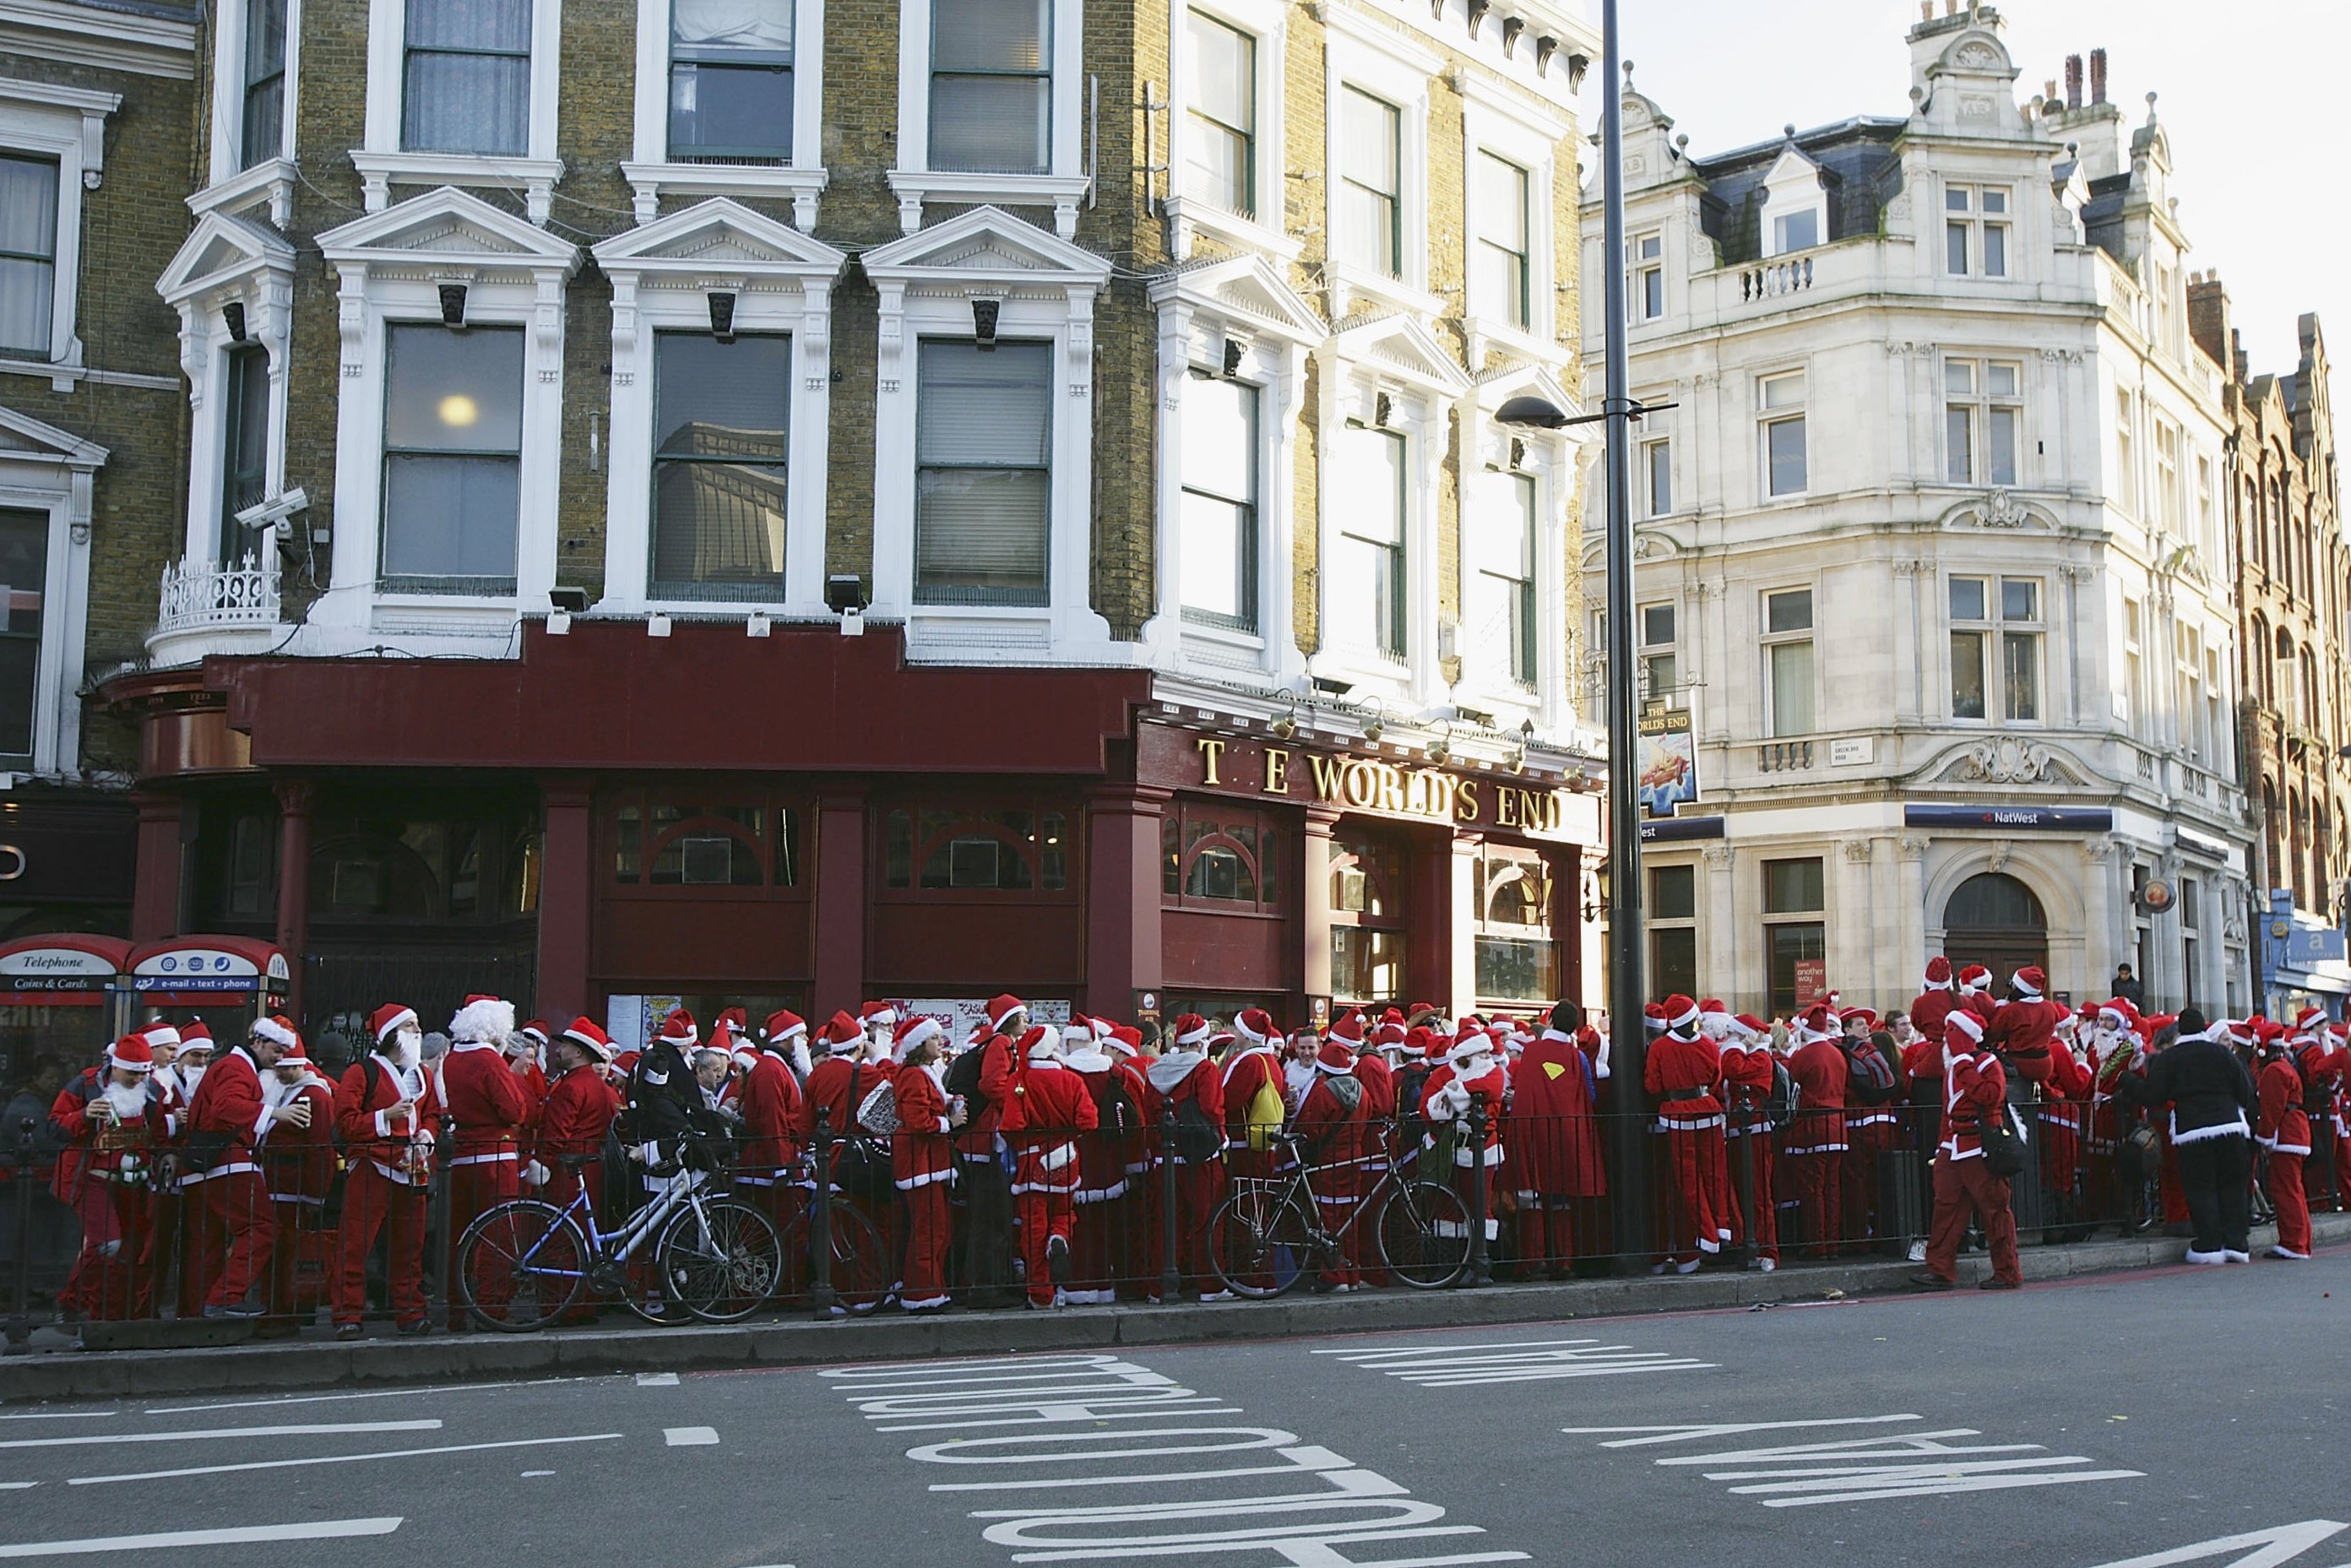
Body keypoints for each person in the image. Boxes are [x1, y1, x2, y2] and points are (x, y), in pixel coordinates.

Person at [2118, 1007, 2258, 1263]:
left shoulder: (2172, 1057)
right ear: (2204, 1029)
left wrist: (2127, 1081)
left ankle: (2209, 1245)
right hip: (2230, 1126)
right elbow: (2245, 1090)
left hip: (2194, 1130)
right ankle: (2237, 1242)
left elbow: (2153, 1095)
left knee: (2200, 1188)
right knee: (2232, 1186)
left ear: (2180, 1030)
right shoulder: (2222, 1054)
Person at [184, 1015, 302, 1317]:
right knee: (262, 1228)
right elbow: (225, 1108)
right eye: (276, 1050)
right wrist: (277, 1114)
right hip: (227, 1158)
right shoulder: (237, 1068)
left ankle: (197, 1310)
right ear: (258, 1041)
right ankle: (224, 1298)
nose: (279, 1059)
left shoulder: (232, 1066)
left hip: (207, 1161)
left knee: (208, 1244)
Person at [333, 1005, 438, 1338]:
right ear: (391, 1034)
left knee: (410, 1246)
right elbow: (345, 1123)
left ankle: (411, 1312)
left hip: (413, 1167)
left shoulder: (424, 1074)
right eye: (410, 1025)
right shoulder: (361, 1073)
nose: (418, 1031)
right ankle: (348, 1314)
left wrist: (427, 1135)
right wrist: (386, 1116)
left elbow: (433, 1114)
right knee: (356, 1244)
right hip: (372, 1165)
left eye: (418, 1024)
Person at [1911, 1007, 2023, 1290]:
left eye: (1951, 1034)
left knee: (1995, 1210)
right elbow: (1946, 1114)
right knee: (1945, 1208)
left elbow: (1989, 1097)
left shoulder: (1985, 1063)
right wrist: (1940, 1150)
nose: (1946, 1040)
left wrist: (1963, 1064)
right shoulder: (1952, 1067)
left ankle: (2007, 1271)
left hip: (1979, 1146)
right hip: (1953, 1145)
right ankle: (1939, 1268)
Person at [49, 1036, 160, 1321]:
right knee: (106, 1243)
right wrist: (84, 1115)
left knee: (126, 1251)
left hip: (132, 1180)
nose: (137, 1079)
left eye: (142, 1073)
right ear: (116, 1067)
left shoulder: (153, 1090)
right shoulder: (85, 1086)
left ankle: (105, 1317)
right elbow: (54, 1128)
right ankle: (70, 1302)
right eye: (131, 1073)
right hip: (90, 1177)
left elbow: (158, 1129)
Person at [440, 996, 532, 1329]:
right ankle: (492, 1307)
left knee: (459, 1236)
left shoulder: (451, 1059)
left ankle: (454, 1306)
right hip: (495, 1154)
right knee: (497, 1236)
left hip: (460, 1154)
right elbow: (514, 1110)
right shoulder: (489, 1062)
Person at [1002, 1024, 1097, 1308]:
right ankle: (1059, 1236)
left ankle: (1040, 1292)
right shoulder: (1071, 1080)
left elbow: (1011, 1125)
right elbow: (1089, 1121)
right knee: (1064, 1212)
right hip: (1066, 1157)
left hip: (1032, 1160)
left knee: (1033, 1227)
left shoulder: (1021, 1081)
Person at [1143, 1013, 1227, 1301]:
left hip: (1166, 1157)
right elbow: (1212, 1109)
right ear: (1201, 1041)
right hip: (1199, 1157)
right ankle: (1210, 1285)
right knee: (1207, 1220)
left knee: (1166, 1223)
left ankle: (1162, 1286)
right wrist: (1222, 1138)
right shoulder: (1205, 1070)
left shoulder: (1156, 1070)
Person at [1643, 995, 1727, 1273]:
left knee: (1687, 1184)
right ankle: (1720, 1228)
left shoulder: (1659, 1048)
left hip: (1677, 1116)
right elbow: (1716, 1077)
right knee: (1715, 1177)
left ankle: (1706, 1234)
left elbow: (1653, 1085)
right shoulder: (1708, 1045)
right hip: (1708, 1112)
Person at [259, 1032, 335, 1334]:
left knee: (287, 1254)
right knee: (277, 1253)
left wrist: (315, 1196)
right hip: (277, 1184)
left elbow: (321, 1150)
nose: (278, 1072)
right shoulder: (284, 1091)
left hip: (293, 1188)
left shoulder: (315, 1095)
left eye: (285, 1066)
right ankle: (278, 1310)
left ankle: (285, 1314)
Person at [888, 1016, 962, 1311]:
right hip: (921, 1163)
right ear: (920, 1044)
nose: (940, 1043)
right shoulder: (914, 1076)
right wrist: (950, 1122)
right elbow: (918, 1120)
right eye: (934, 1038)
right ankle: (923, 1292)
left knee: (936, 1229)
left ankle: (932, 1288)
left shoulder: (922, 1073)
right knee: (929, 1229)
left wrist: (950, 1102)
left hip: (930, 1162)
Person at [1292, 1019, 1368, 1292]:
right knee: (1350, 1219)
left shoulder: (1324, 1093)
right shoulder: (1362, 1091)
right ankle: (1352, 1274)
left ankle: (1332, 1275)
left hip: (1328, 1163)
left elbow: (1312, 1130)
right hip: (1354, 1159)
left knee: (1328, 1218)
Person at [1784, 1003, 1849, 1260]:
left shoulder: (1803, 1056)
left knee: (1813, 1188)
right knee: (1832, 1187)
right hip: (1836, 1125)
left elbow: (1791, 1090)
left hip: (1811, 1127)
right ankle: (1831, 1241)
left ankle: (1817, 1243)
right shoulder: (1837, 1053)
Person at [540, 1017, 622, 1218]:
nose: (558, 1050)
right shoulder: (600, 1087)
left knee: (563, 1232)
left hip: (568, 1171)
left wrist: (542, 1164)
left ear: (578, 1052)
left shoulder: (571, 1087)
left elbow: (557, 1133)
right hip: (593, 1168)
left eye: (564, 1045)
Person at [2255, 1027, 2314, 1260]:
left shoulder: (2273, 1071)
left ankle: (2294, 1243)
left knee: (2285, 1190)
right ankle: (2300, 1240)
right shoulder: (2285, 1067)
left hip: (2286, 1135)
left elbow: (2271, 1109)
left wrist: (2265, 1137)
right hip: (2295, 1133)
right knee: (2295, 1189)